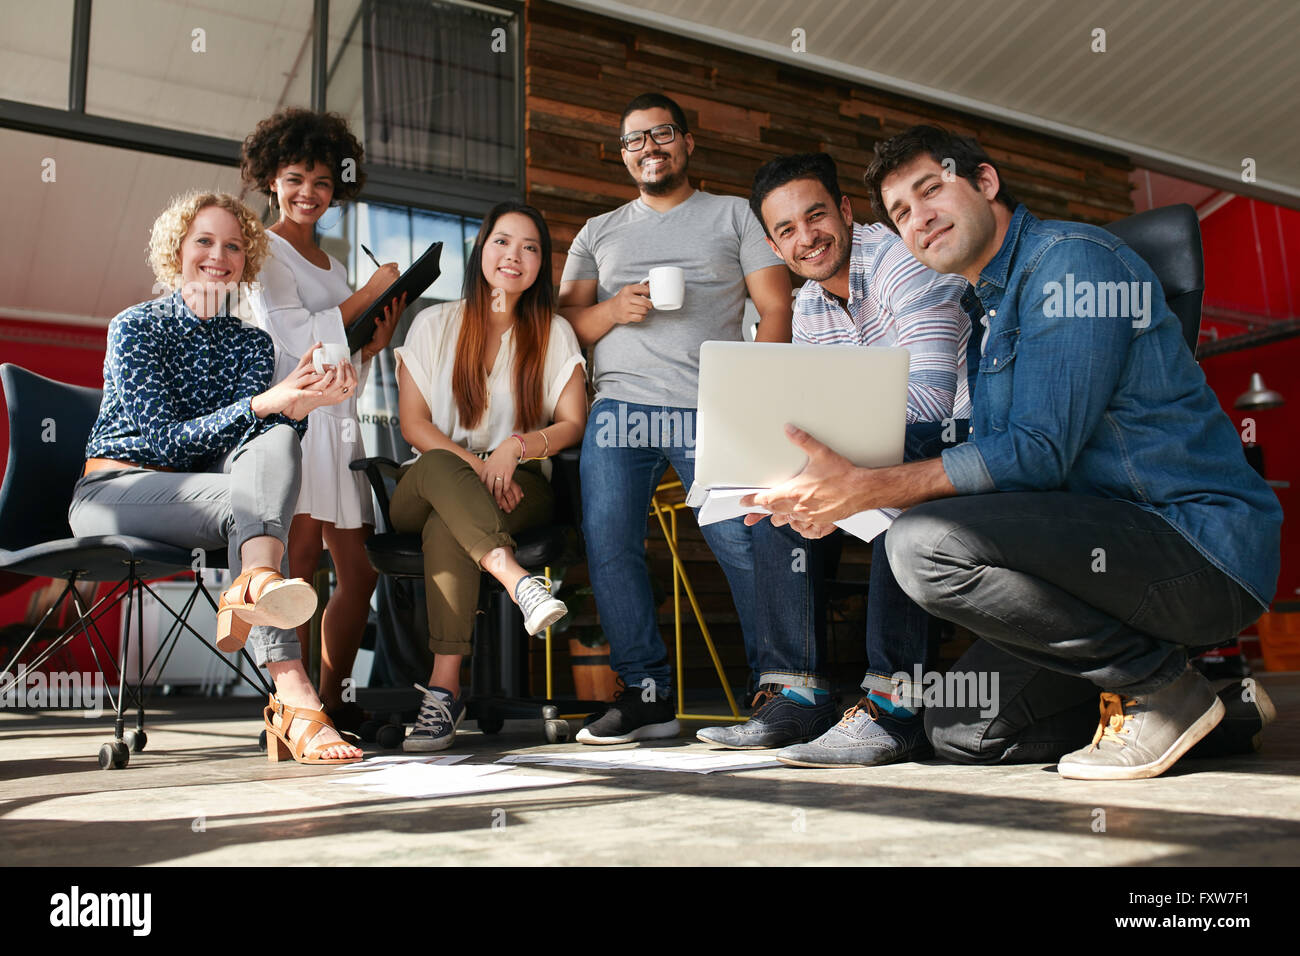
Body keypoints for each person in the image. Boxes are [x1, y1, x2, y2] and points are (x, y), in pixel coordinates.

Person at [747, 125, 1282, 780]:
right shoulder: (986, 311)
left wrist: (873, 488)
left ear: (985, 182)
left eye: (930, 192)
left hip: (1193, 547)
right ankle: (1220, 711)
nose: (919, 221)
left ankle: (1156, 686)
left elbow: (1037, 454)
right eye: (902, 213)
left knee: (922, 544)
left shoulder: (1070, 264)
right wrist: (838, 504)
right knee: (962, 732)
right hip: (1097, 572)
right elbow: (994, 468)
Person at [694, 152, 974, 766]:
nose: (806, 238)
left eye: (816, 216)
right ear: (773, 244)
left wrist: (842, 480)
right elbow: (818, 420)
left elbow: (928, 401)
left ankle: (894, 709)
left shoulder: (903, 257)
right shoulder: (808, 308)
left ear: (845, 212)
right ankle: (797, 693)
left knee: (882, 463)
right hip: (876, 452)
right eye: (786, 231)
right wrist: (808, 483)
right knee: (776, 490)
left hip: (957, 444)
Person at [68, 191, 363, 765]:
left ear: (247, 259)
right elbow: (161, 442)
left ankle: (253, 582)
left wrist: (293, 413)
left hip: (212, 498)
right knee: (254, 474)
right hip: (117, 492)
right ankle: (295, 697)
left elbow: (253, 454)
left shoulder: (251, 343)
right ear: (176, 250)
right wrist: (263, 403)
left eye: (233, 245)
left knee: (275, 440)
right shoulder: (135, 327)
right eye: (204, 240)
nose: (218, 255)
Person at [557, 91, 794, 745]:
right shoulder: (598, 231)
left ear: (687, 143)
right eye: (634, 140)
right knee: (608, 546)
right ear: (623, 154)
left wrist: (756, 394)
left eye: (662, 134)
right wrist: (611, 313)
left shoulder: (735, 216)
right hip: (621, 405)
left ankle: (778, 688)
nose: (649, 148)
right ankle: (647, 696)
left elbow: (775, 307)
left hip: (709, 404)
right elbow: (561, 327)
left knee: (742, 543)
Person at [390, 201, 587, 752]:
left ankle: (444, 691)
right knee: (439, 469)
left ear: (541, 265)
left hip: (518, 487)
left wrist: (517, 447)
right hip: (428, 479)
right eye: (502, 241)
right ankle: (516, 578)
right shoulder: (433, 324)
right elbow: (413, 424)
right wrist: (476, 464)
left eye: (529, 247)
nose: (514, 256)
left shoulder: (553, 332)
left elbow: (573, 422)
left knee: (448, 528)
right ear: (483, 250)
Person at [240, 108, 404, 731]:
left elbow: (339, 350)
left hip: (340, 425)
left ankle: (333, 699)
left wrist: (372, 339)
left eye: (322, 182)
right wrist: (368, 294)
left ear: (338, 188)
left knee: (358, 572)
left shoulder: (332, 266)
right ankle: (294, 710)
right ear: (271, 180)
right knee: (300, 563)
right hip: (299, 422)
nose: (308, 192)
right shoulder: (265, 250)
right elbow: (289, 336)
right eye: (293, 178)